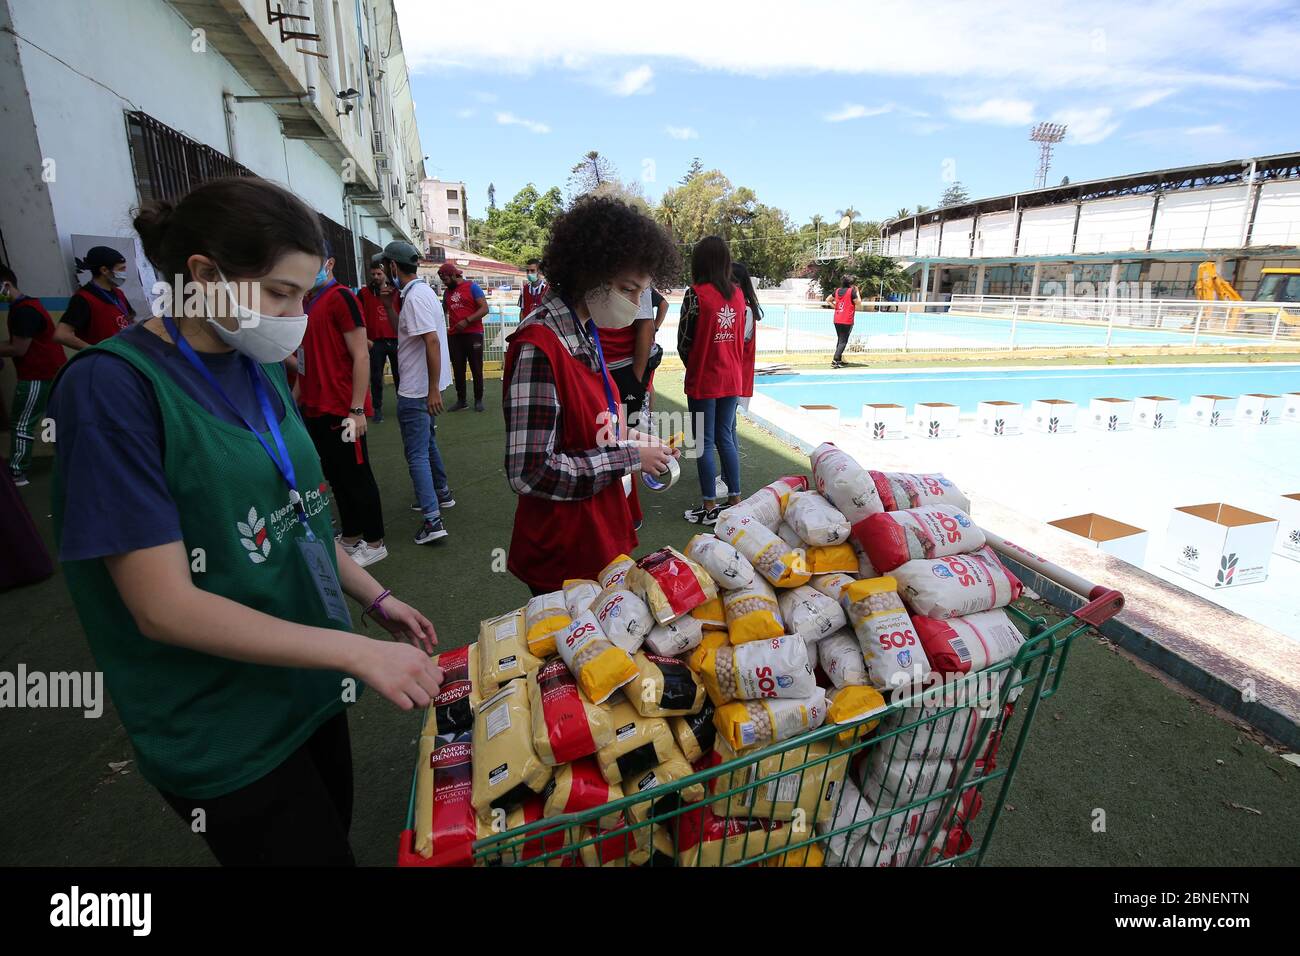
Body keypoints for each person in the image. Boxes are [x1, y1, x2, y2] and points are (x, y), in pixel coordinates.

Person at [45, 176, 442, 865]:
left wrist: (374, 598)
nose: (294, 314)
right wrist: (357, 651)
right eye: (279, 294)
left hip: (309, 686)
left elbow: (302, 510)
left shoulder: (251, 360)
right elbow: (164, 608)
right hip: (224, 723)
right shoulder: (113, 388)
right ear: (203, 274)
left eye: (303, 294)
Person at [502, 195, 680, 595]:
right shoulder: (539, 346)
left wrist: (635, 439)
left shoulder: (584, 329)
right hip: (565, 551)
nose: (637, 307)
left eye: (642, 294)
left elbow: (588, 425)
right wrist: (630, 456)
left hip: (596, 535)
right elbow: (530, 472)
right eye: (628, 290)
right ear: (588, 273)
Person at [298, 241, 386, 567]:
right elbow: (307, 361)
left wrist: (357, 409)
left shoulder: (341, 298)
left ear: (330, 263)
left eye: (314, 262)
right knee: (336, 475)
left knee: (357, 475)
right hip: (317, 407)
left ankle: (375, 541)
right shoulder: (309, 302)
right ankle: (351, 535)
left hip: (342, 408)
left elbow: (361, 354)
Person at [381, 240, 455, 545]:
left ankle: (432, 519)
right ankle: (442, 494)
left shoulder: (414, 297)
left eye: (385, 266)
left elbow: (432, 342)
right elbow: (412, 334)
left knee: (416, 454)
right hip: (421, 387)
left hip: (416, 389)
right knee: (427, 443)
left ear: (394, 267)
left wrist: (431, 390)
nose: (384, 272)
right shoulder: (418, 293)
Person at [677, 235, 746, 525]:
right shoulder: (738, 294)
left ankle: (708, 507)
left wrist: (693, 365)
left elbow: (684, 340)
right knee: (725, 437)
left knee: (704, 442)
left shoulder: (695, 294)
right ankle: (735, 499)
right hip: (731, 377)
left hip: (705, 379)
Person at [1, 263, 66, 486]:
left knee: (22, 424)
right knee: (54, 420)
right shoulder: (31, 305)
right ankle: (63, 459)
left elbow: (19, 348)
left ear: (6, 285)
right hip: (54, 371)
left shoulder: (24, 312)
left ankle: (17, 472)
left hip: (37, 376)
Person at [603, 285, 663, 432]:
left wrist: (635, 381)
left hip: (627, 366)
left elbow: (646, 325)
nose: (637, 303)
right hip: (599, 366)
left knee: (638, 429)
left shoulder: (635, 275)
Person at [54, 246, 135, 350]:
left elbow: (129, 319)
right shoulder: (83, 298)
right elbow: (61, 335)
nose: (125, 273)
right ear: (104, 270)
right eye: (121, 269)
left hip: (125, 353)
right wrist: (95, 351)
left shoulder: (118, 293)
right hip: (105, 360)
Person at [438, 263, 488, 412]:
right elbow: (442, 312)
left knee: (476, 368)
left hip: (473, 334)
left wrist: (467, 321)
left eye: (446, 279)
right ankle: (461, 400)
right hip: (455, 336)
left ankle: (478, 400)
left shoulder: (472, 287)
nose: (444, 283)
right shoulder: (447, 293)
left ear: (454, 275)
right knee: (458, 369)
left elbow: (485, 308)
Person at [357, 257, 401, 422]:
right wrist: (365, 339)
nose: (376, 276)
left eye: (379, 273)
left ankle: (402, 405)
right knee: (376, 376)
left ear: (385, 274)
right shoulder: (363, 294)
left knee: (400, 375)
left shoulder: (395, 291)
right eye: (373, 274)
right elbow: (357, 317)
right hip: (375, 342)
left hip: (395, 339)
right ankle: (377, 409)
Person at [733, 261, 762, 402]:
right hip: (733, 374)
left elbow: (736, 340)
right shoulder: (741, 307)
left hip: (738, 375)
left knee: (728, 420)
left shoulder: (746, 309)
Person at [829, 273, 860, 368]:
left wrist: (836, 308)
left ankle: (839, 359)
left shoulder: (837, 290)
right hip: (847, 319)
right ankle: (835, 360)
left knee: (840, 339)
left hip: (837, 318)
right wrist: (858, 292)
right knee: (843, 341)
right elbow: (858, 303)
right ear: (851, 284)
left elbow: (828, 300)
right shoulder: (852, 291)